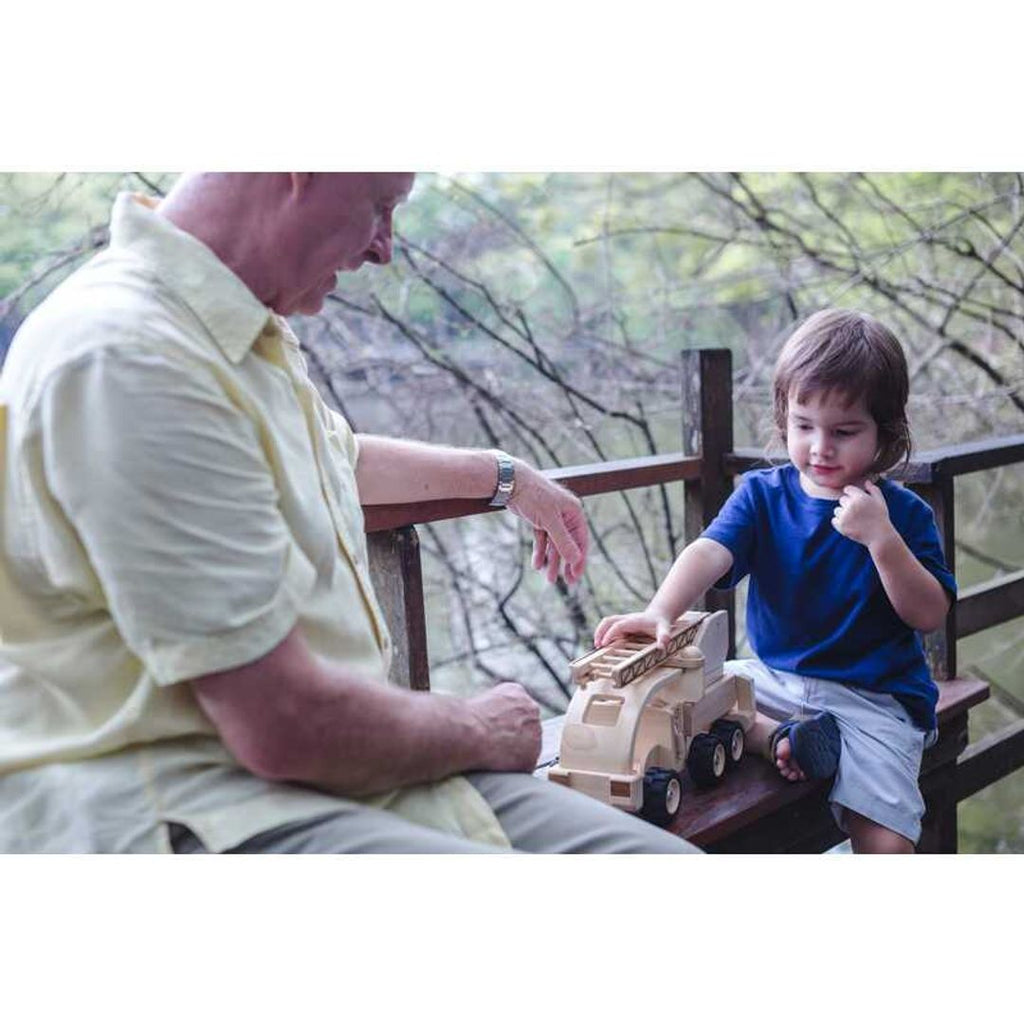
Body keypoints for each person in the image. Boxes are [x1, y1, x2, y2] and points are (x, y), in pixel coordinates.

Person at [0, 172, 698, 854]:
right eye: (379, 206)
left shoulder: (226, 324)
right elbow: (284, 724)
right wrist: (482, 727)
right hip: (202, 805)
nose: (384, 248)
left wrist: (508, 479)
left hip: (339, 777)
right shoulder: (129, 358)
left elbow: (335, 458)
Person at [595, 309, 956, 853]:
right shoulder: (763, 495)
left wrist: (882, 540)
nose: (819, 448)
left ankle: (788, 740)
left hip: (873, 700)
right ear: (783, 418)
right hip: (772, 679)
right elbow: (710, 550)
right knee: (680, 695)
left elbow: (929, 614)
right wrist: (660, 610)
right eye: (803, 426)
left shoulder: (901, 514)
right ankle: (775, 737)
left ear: (885, 431)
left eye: (844, 431)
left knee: (887, 847)